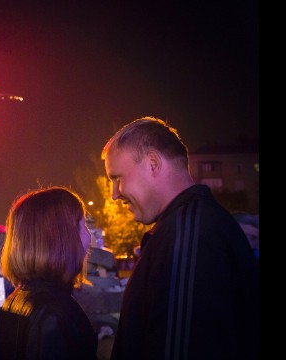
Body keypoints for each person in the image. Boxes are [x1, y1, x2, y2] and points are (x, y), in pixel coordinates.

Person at [101, 116, 259, 360]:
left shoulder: (189, 235)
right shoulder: (186, 227)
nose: (114, 195)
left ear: (153, 163)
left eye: (117, 178)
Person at [0, 186, 98, 359]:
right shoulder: (55, 312)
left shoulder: (14, 300)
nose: (90, 239)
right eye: (83, 225)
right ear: (63, 236)